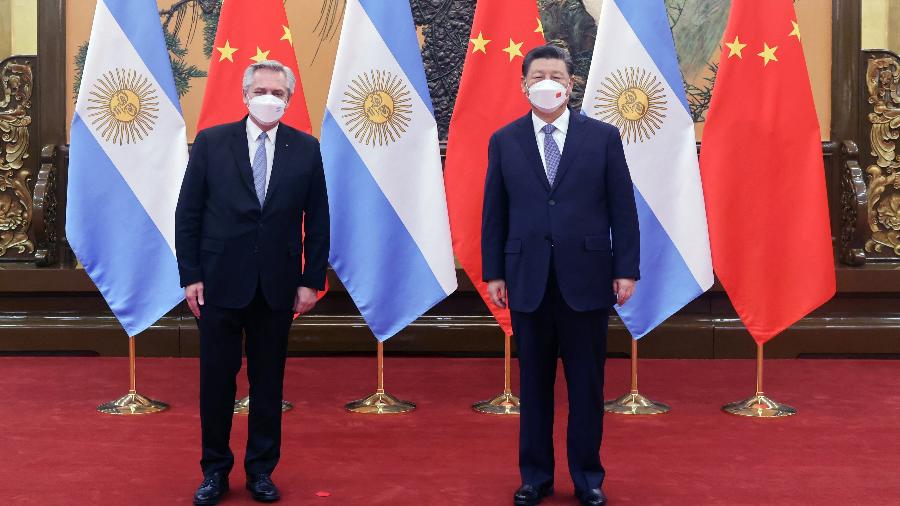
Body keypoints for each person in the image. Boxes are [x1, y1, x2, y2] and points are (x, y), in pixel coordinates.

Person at [481, 45, 640, 506]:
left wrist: (625, 269)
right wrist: (494, 272)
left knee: (587, 385)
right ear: (524, 84)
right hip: (527, 279)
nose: (546, 82)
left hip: (587, 280)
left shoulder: (603, 137)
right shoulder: (505, 140)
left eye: (556, 75)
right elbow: (495, 212)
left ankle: (588, 477)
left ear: (571, 84)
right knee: (534, 387)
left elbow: (622, 209)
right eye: (537, 75)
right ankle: (535, 477)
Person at [175, 60, 329, 505]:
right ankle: (215, 471)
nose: (269, 97)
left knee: (268, 385)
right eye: (261, 89)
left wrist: (310, 281)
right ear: (245, 95)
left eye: (277, 92)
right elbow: (188, 216)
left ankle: (261, 470)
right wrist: (191, 276)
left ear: (290, 99)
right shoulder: (211, 142)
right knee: (217, 383)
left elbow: (318, 220)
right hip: (218, 284)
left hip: (278, 287)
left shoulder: (306, 148)